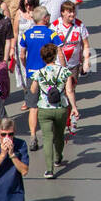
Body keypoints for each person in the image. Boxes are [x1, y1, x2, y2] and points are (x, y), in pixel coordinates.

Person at [29, 43, 76, 178]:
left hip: (44, 108)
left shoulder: (39, 73)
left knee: (47, 137)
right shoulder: (65, 71)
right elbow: (69, 91)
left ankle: (49, 169)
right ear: (55, 56)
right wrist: (74, 107)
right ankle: (58, 157)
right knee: (59, 135)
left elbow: (33, 90)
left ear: (42, 58)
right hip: (61, 108)